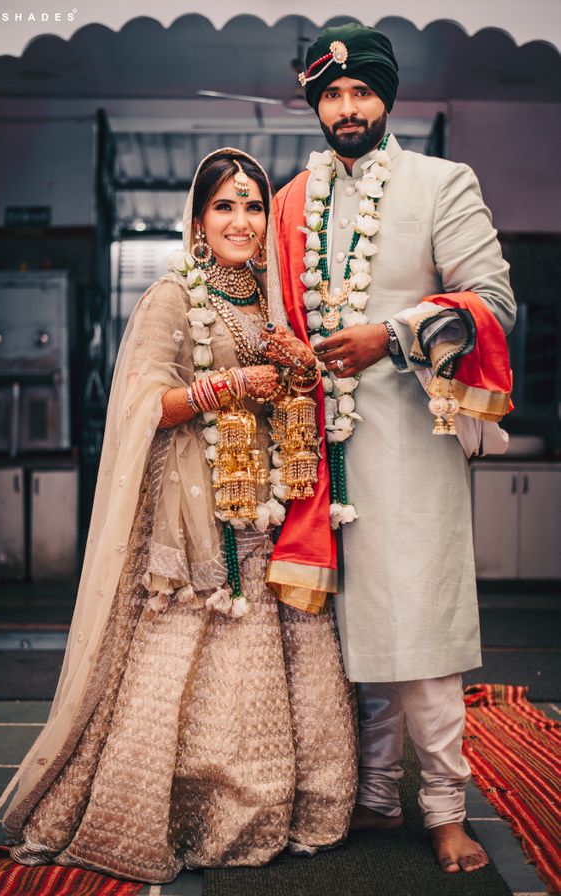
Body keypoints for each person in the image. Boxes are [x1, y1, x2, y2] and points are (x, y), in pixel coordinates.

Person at [2, 149, 357, 883]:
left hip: (268, 507)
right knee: (200, 656)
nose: (241, 220)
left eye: (254, 205)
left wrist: (298, 365)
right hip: (194, 514)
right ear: (198, 221)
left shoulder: (274, 298)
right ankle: (191, 808)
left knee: (272, 652)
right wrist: (222, 386)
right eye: (224, 206)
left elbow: (299, 395)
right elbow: (142, 403)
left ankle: (279, 809)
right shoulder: (172, 296)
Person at [273, 24, 516, 874]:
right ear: (317, 106)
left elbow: (492, 301)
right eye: (331, 95)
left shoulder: (442, 182)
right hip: (317, 456)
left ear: (387, 97)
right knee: (349, 635)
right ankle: (374, 798)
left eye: (360, 92)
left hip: (413, 442)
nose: (347, 108)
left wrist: (394, 334)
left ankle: (447, 810)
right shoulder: (293, 198)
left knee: (421, 627)